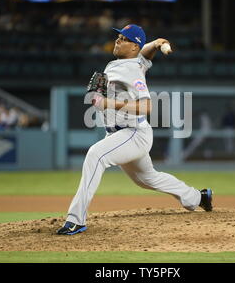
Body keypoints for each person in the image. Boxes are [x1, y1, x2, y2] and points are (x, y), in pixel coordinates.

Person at [57, 24, 213, 235]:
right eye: (118, 37)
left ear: (133, 47)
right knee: (148, 178)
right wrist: (158, 43)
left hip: (132, 133)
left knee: (96, 155)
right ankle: (199, 197)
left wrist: (111, 104)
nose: (118, 41)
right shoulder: (133, 61)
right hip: (120, 134)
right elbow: (143, 53)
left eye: (123, 39)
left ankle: (76, 219)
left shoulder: (131, 70)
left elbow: (147, 106)